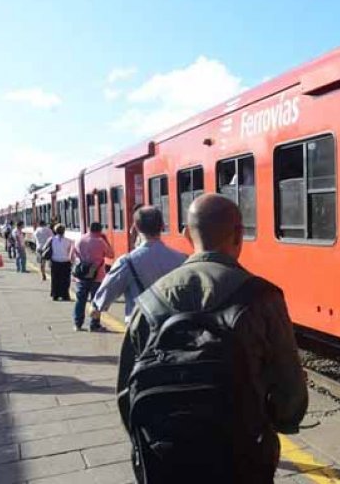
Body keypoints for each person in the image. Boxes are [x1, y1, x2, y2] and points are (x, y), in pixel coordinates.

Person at [117, 194, 307, 483]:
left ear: (185, 234)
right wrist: (281, 421)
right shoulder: (263, 298)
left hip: (168, 460)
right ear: (239, 234)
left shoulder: (149, 302)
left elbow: (125, 394)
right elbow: (290, 390)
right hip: (243, 457)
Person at [91, 206, 186, 325]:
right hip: (173, 327)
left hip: (141, 328)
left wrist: (96, 307)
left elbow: (105, 294)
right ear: (162, 226)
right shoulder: (181, 259)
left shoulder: (127, 262)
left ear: (135, 228)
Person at [72, 222, 114, 332]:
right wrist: (106, 241)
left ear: (89, 229)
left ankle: (77, 324)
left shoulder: (79, 240)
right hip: (97, 276)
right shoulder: (101, 242)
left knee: (80, 300)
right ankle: (94, 325)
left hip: (81, 277)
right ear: (100, 231)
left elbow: (72, 257)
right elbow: (111, 255)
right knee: (95, 301)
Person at [45, 224, 73, 301]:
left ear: (55, 231)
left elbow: (45, 248)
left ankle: (55, 295)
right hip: (66, 262)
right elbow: (71, 253)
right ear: (64, 231)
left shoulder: (51, 239)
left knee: (55, 279)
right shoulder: (69, 241)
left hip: (55, 262)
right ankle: (65, 295)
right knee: (65, 280)